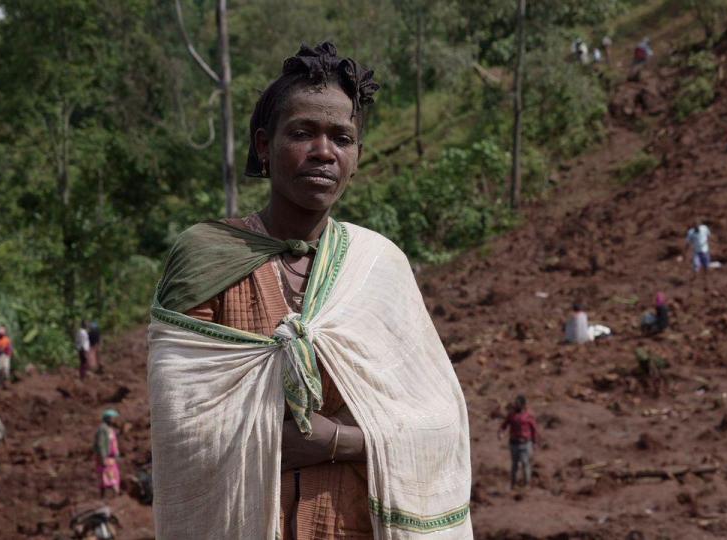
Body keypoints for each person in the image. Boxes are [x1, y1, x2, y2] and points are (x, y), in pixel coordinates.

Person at [147, 42, 472, 539]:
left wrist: (334, 441)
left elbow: (440, 426)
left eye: (342, 137)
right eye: (302, 133)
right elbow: (186, 429)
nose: (324, 151)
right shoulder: (206, 256)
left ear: (357, 156)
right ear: (263, 145)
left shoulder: (378, 267)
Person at [498, 395, 538, 490]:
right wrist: (501, 433)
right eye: (516, 403)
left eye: (518, 403)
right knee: (515, 464)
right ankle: (513, 485)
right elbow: (504, 425)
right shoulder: (512, 415)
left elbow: (534, 429)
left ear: (523, 404)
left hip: (525, 443)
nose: (516, 405)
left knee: (525, 462)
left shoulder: (528, 415)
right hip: (514, 443)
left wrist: (535, 442)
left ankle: (527, 484)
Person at [95, 409, 121, 498]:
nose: (114, 420)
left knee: (112, 475)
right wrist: (103, 458)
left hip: (111, 457)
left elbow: (113, 443)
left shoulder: (110, 429)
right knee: (108, 475)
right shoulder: (103, 429)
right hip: (106, 457)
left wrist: (116, 454)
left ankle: (110, 496)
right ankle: (114, 495)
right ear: (108, 418)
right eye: (112, 418)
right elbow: (101, 444)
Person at [685, 223, 714, 290]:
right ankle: (694, 280)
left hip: (704, 251)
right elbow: (687, 242)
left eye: (697, 227)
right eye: (695, 228)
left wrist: (709, 242)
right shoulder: (691, 233)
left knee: (706, 266)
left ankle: (706, 280)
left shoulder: (704, 228)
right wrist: (685, 252)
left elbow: (709, 235)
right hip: (697, 252)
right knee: (696, 265)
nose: (696, 229)